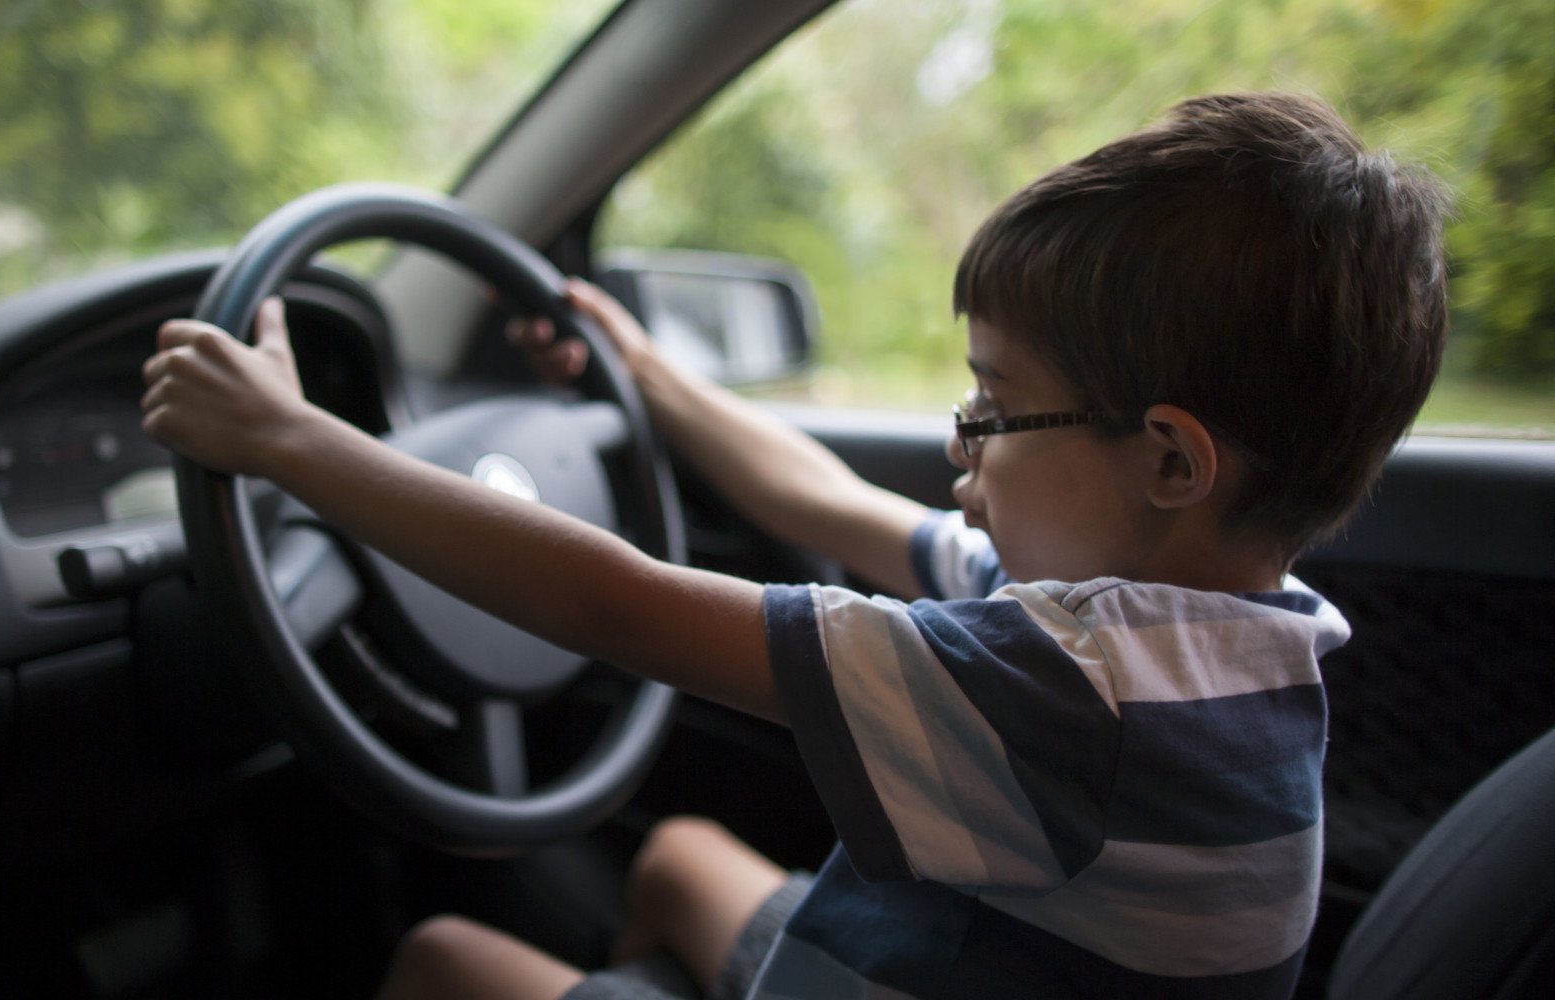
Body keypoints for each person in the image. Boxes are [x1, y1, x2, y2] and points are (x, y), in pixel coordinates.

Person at [139, 91, 1450, 998]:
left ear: (1170, 457)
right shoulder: (1213, 633)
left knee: (444, 961)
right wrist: (643, 370)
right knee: (674, 857)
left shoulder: (1072, 697)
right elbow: (831, 506)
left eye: (994, 407)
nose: (963, 446)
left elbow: (619, 606)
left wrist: (292, 444)